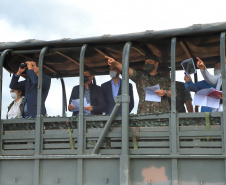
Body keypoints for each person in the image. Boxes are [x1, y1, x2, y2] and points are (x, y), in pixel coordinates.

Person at [105, 54, 171, 114]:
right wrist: (115, 63)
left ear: (156, 64)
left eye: (150, 62)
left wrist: (165, 92)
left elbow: (174, 93)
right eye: (146, 62)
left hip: (163, 115)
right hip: (144, 115)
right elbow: (127, 70)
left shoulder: (165, 78)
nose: (147, 64)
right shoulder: (140, 76)